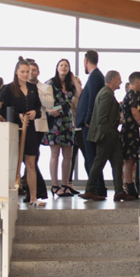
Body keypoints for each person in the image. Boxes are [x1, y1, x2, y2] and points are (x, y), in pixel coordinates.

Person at [0, 58, 45, 206]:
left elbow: (39, 109)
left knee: (31, 163)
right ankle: (12, 196)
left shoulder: (32, 88)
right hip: (14, 130)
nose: (26, 74)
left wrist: (34, 113)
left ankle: (33, 197)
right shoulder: (7, 88)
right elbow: (2, 109)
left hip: (30, 129)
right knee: (14, 163)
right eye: (23, 72)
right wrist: (15, 114)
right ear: (16, 72)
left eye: (28, 71)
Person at [81, 70, 129, 202]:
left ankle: (119, 191)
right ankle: (90, 190)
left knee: (117, 162)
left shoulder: (106, 93)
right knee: (99, 163)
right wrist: (111, 133)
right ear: (112, 80)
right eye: (119, 79)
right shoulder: (106, 94)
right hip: (107, 137)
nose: (121, 81)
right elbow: (102, 119)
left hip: (110, 136)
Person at [44, 57, 81, 197]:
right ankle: (54, 185)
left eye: (66, 65)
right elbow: (41, 102)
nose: (64, 67)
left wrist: (74, 79)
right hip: (55, 121)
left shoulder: (71, 85)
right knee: (55, 154)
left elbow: (80, 93)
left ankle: (65, 185)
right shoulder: (50, 83)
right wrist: (49, 111)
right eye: (61, 65)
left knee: (68, 155)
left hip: (67, 122)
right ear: (57, 67)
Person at [74, 50, 104, 186]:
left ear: (86, 61)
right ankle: (97, 187)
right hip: (88, 123)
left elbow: (92, 99)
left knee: (92, 158)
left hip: (88, 125)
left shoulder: (94, 76)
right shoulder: (96, 76)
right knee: (91, 157)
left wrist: (87, 120)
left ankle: (96, 188)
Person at [120, 71, 140, 200]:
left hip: (127, 129)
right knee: (130, 159)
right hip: (132, 130)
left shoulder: (128, 94)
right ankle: (130, 186)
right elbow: (134, 111)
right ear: (137, 81)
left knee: (129, 160)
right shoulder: (134, 94)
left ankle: (129, 185)